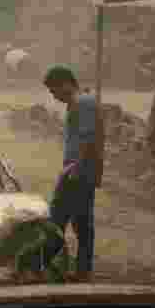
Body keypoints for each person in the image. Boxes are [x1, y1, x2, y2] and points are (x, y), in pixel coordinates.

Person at [41, 65, 104, 280]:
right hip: (78, 170)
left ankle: (50, 266)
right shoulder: (78, 103)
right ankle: (76, 269)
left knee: (60, 219)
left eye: (53, 90)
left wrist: (76, 167)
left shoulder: (83, 103)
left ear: (65, 83)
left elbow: (88, 138)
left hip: (78, 172)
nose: (54, 95)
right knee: (78, 221)